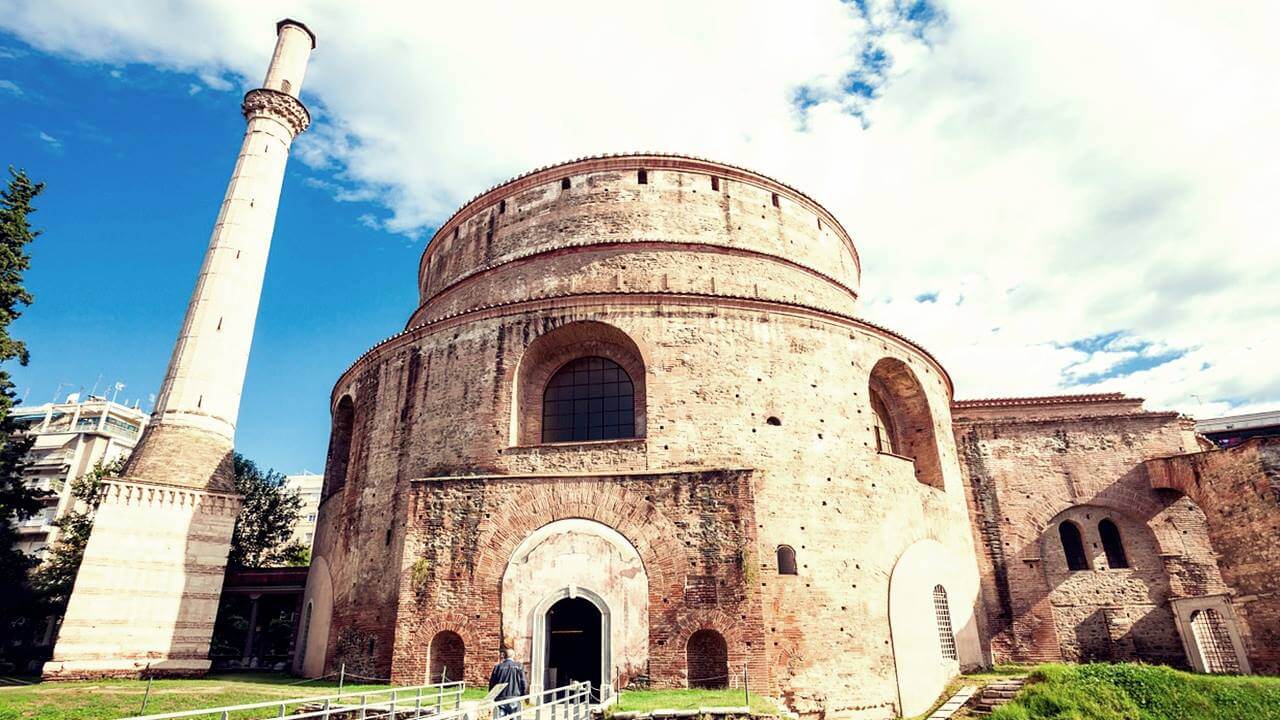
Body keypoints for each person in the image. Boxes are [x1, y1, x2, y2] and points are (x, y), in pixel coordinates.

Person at [489, 647, 527, 719]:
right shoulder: (519, 666)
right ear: (513, 656)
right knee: (514, 717)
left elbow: (492, 683)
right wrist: (523, 694)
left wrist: (491, 697)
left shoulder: (498, 667)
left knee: (500, 717)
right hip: (514, 697)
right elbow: (523, 682)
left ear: (504, 656)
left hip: (500, 697)